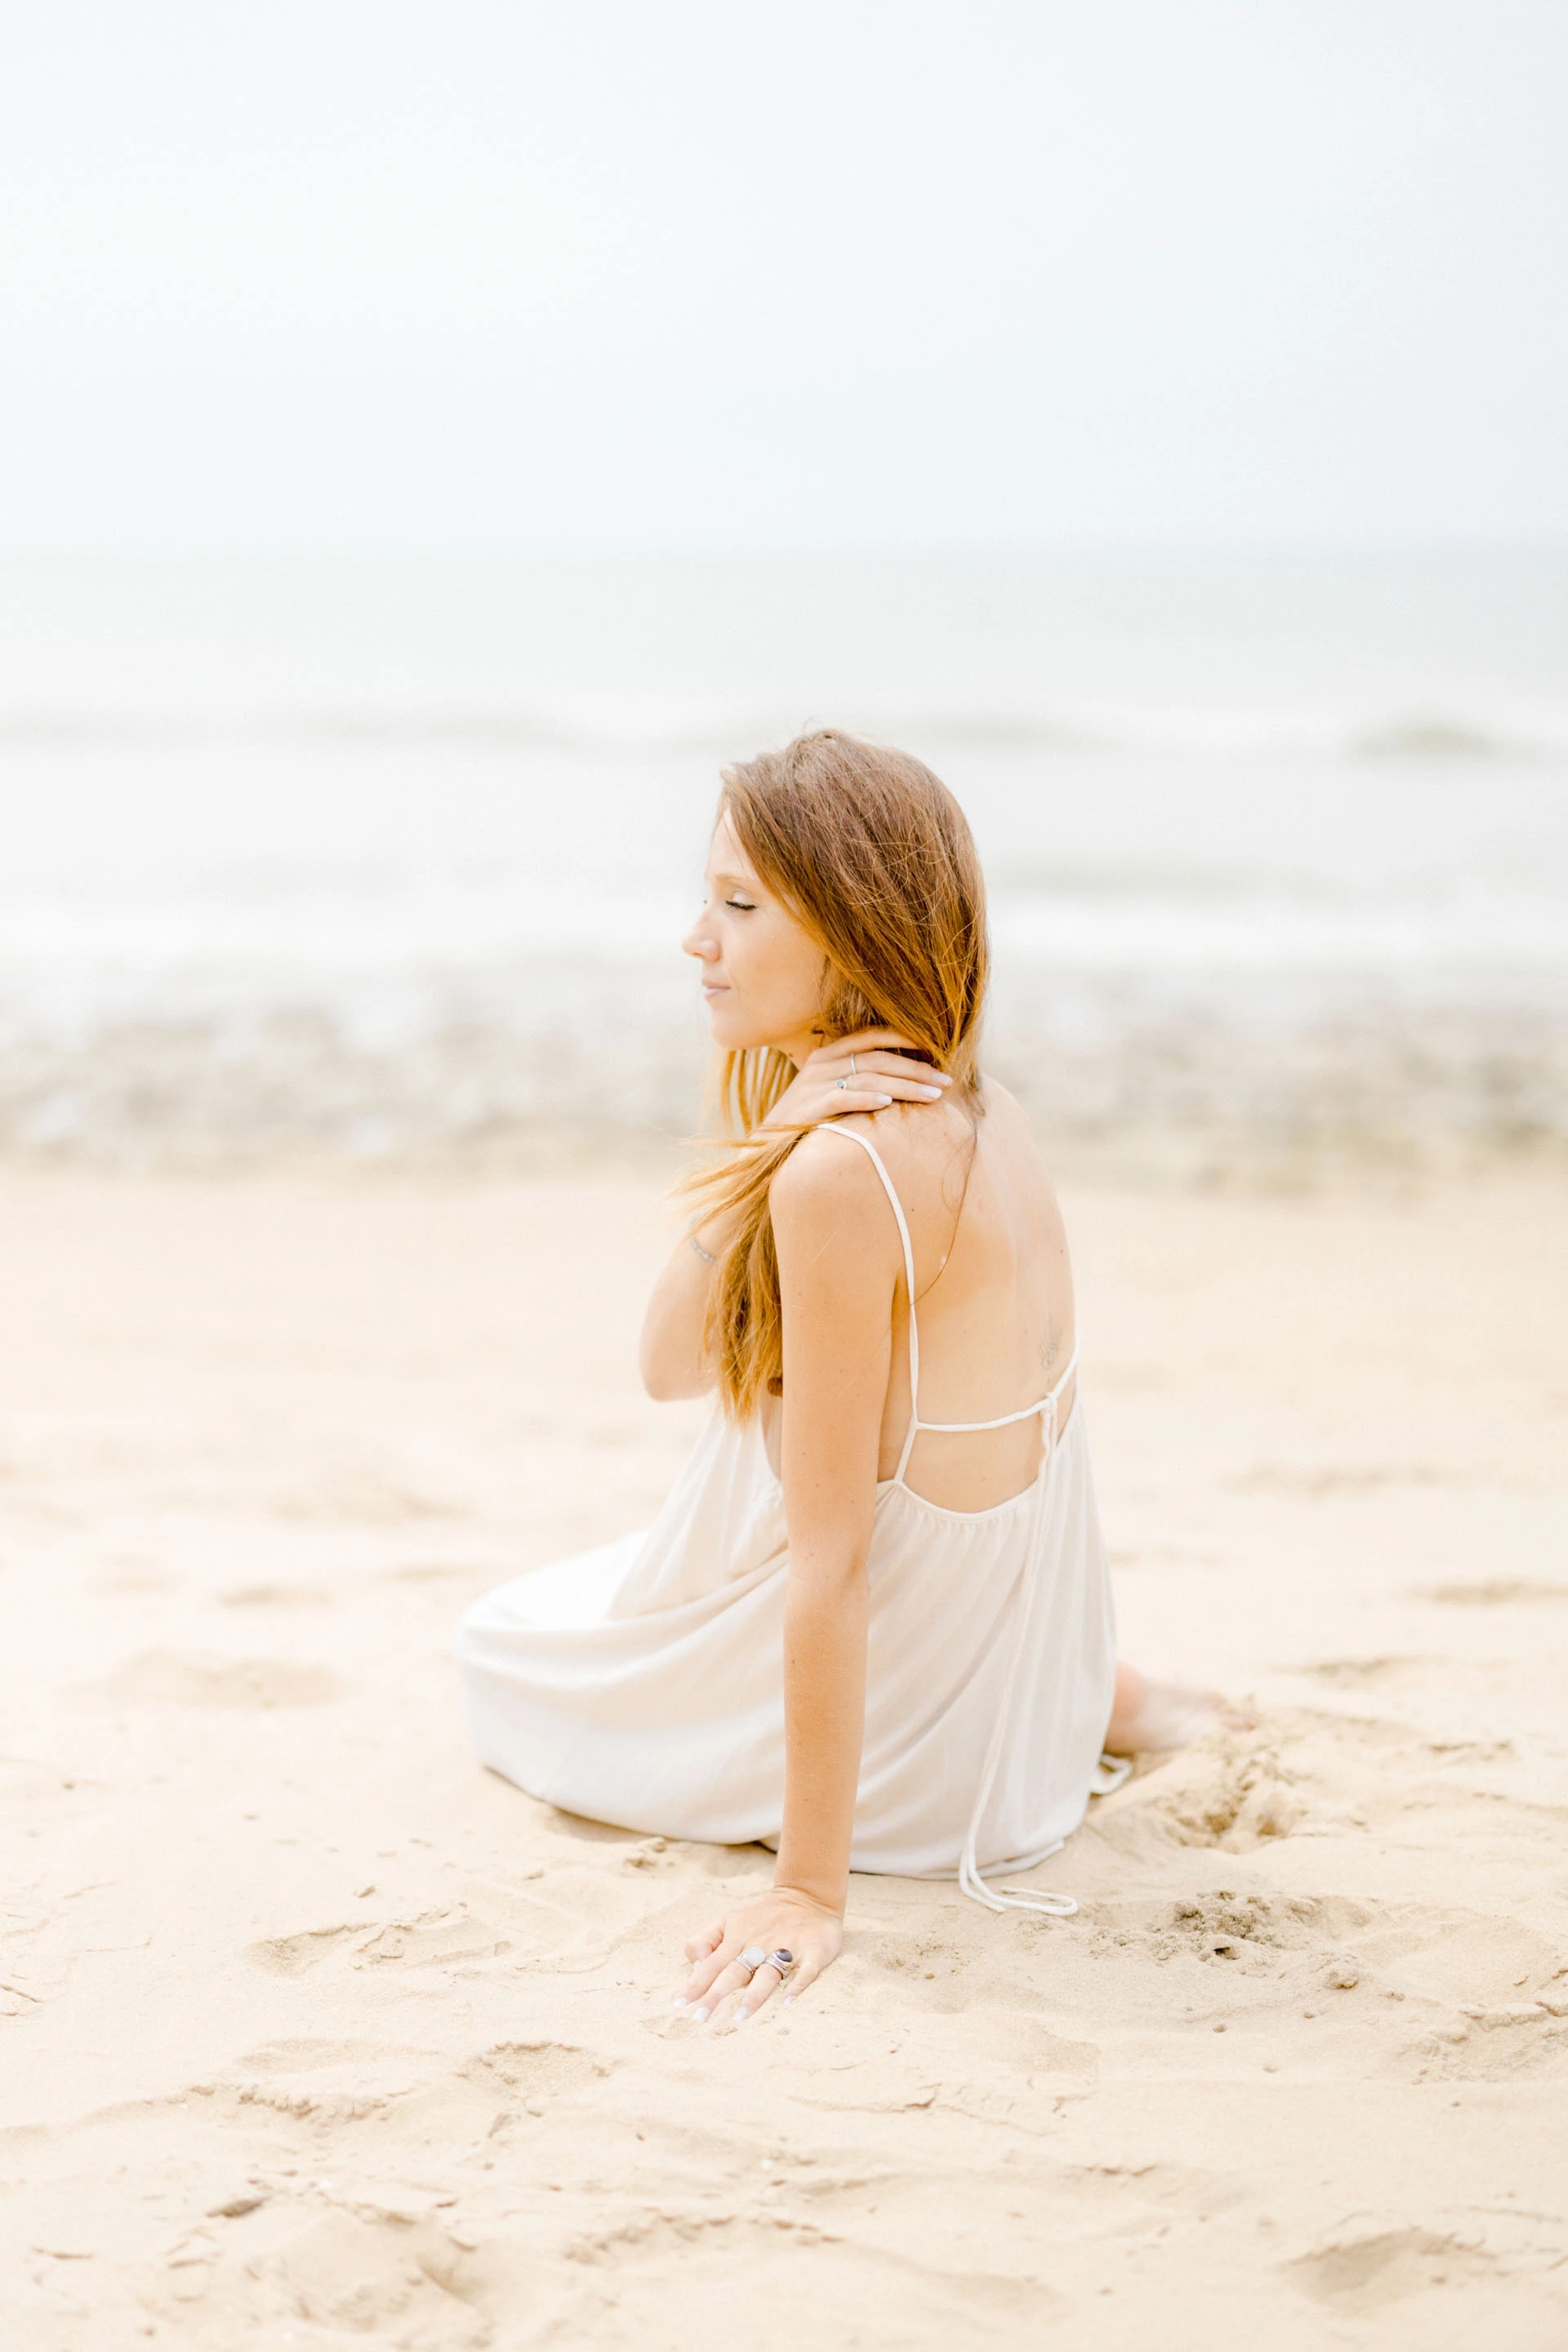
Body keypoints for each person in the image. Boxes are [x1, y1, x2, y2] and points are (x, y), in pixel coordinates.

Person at [457, 731, 1221, 2028]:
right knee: (568, 1611)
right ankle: (1115, 1697)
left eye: (740, 906)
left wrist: (808, 1892)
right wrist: (775, 1135)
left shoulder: (842, 1174)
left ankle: (1097, 1705)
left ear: (853, 928)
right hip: (1020, 1697)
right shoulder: (987, 1110)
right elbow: (667, 1366)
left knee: (500, 1654)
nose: (697, 939)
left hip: (925, 1774)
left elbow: (833, 1560)